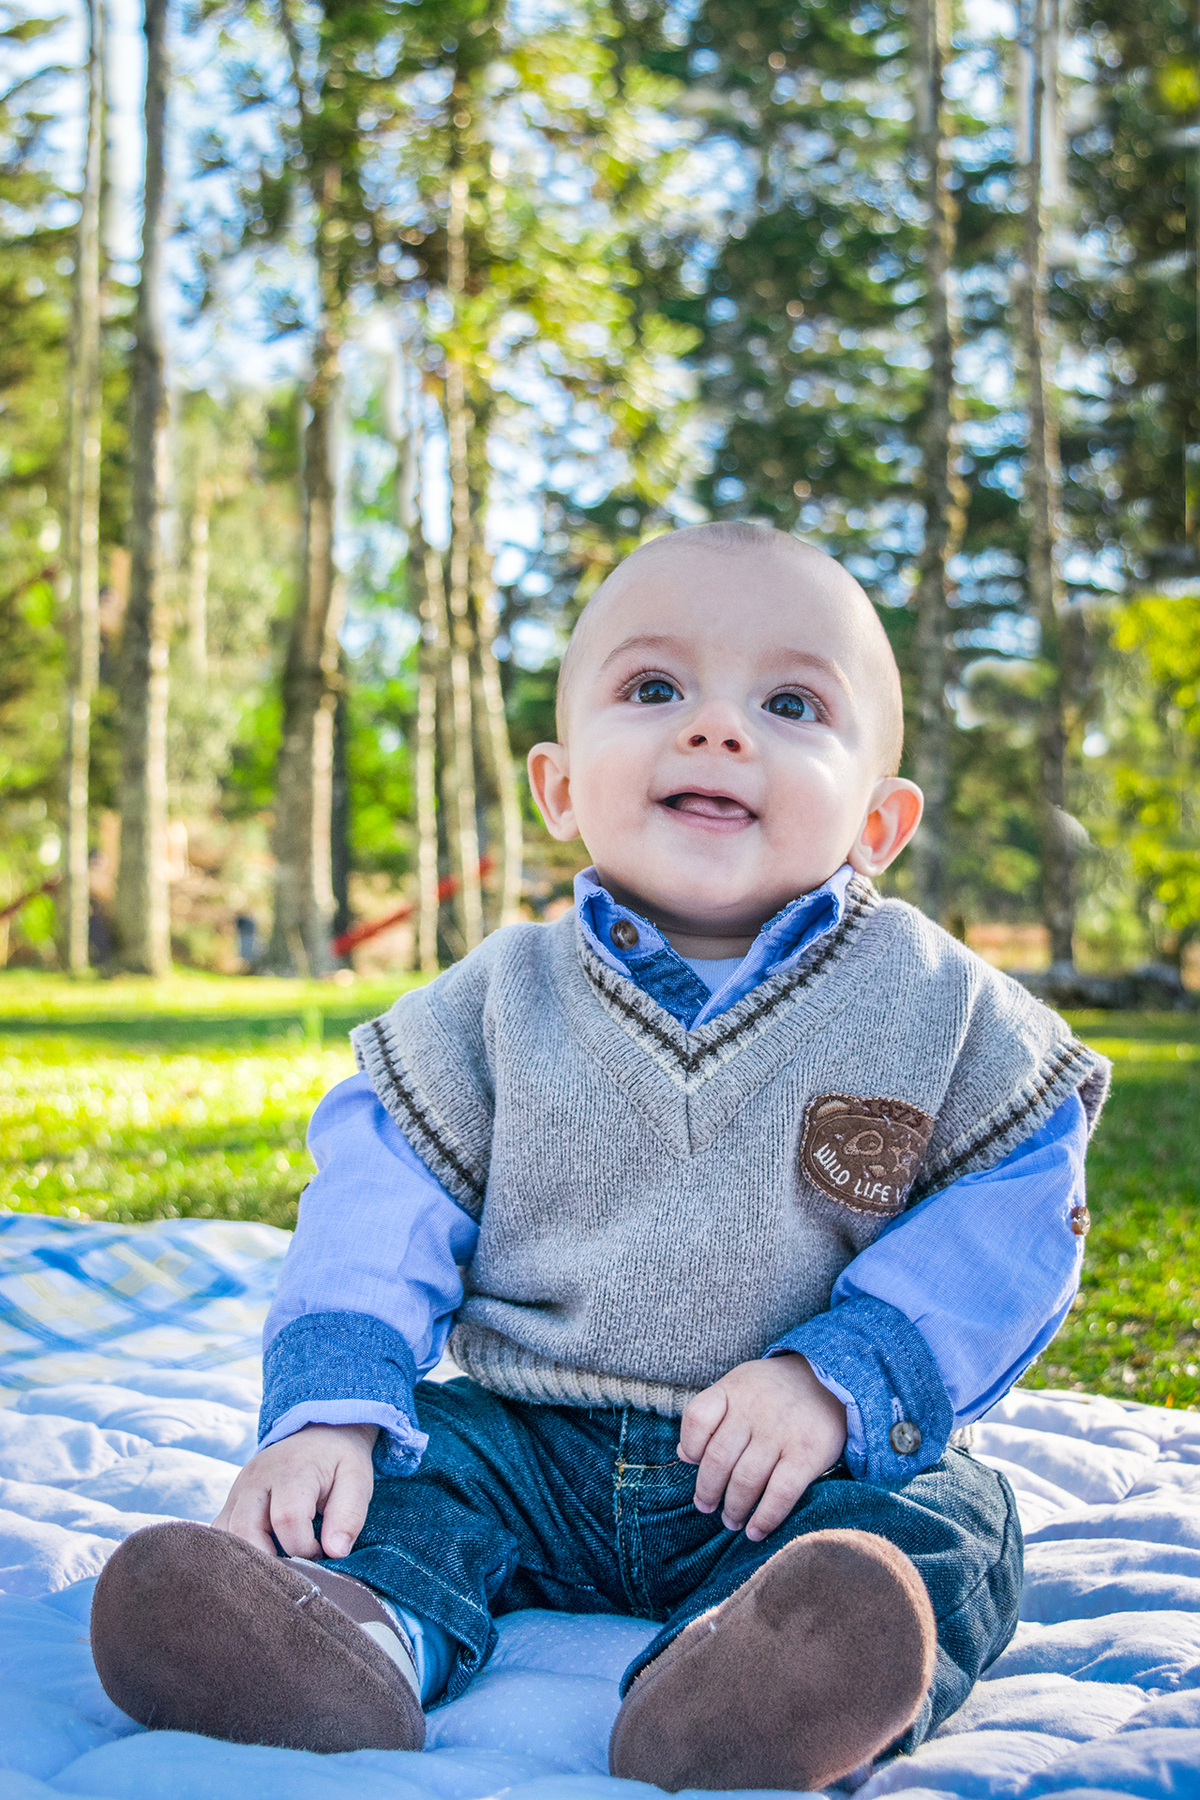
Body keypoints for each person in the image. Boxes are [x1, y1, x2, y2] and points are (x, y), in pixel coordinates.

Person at [91, 523, 1109, 1792]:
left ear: (882, 818)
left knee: (946, 1528)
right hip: (527, 1436)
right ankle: (337, 1644)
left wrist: (843, 1378)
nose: (716, 729)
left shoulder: (938, 1007)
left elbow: (1014, 1210)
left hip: (790, 1466)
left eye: (790, 703)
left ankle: (747, 1683)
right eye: (654, 689)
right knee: (398, 1481)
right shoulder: (493, 1003)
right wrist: (335, 1407)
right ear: (561, 787)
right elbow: (379, 1201)